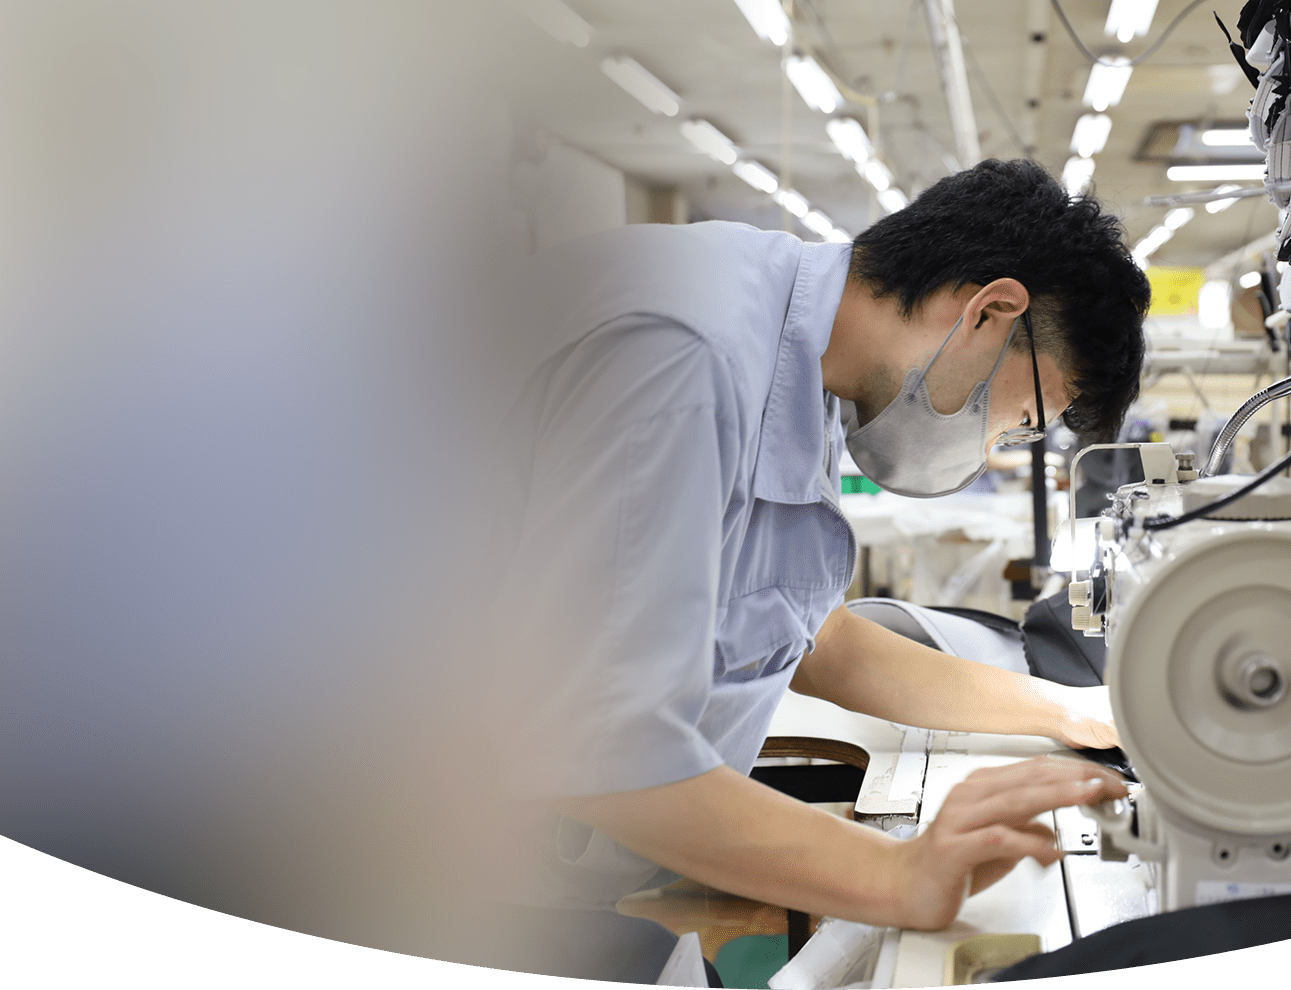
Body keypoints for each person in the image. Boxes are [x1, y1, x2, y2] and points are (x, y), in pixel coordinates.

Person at [492, 158, 1152, 982]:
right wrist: (900, 876)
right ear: (990, 312)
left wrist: (1072, 711)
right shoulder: (688, 357)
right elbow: (602, 740)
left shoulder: (800, 372)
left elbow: (820, 643)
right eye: (1019, 420)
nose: (994, 449)